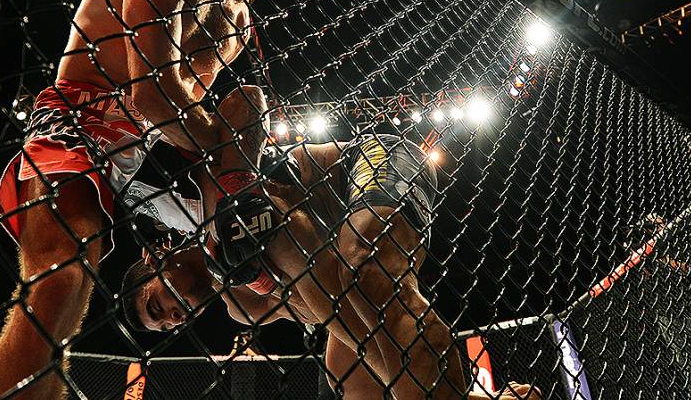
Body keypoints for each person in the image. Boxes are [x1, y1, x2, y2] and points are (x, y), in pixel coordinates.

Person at [0, 0, 317, 398]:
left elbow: (188, 114)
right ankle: (227, 210)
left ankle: (227, 213)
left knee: (247, 101)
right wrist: (219, 150)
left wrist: (226, 151)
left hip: (130, 159)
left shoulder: (239, 23)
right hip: (76, 121)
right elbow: (155, 94)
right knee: (62, 276)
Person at [119, 87, 542, 399]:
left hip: (367, 166)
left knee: (362, 264)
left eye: (157, 305)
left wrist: (236, 191)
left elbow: (245, 100)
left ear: (155, 258)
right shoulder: (240, 303)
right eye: (170, 325)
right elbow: (329, 303)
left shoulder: (186, 192)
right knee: (348, 374)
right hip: (334, 273)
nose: (174, 316)